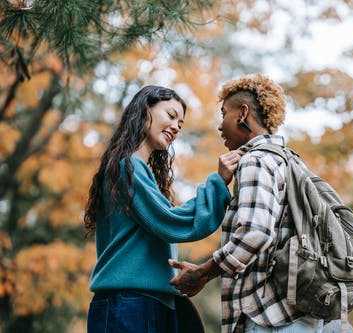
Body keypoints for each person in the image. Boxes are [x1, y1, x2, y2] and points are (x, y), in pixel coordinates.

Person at [170, 74, 347, 333]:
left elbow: (255, 233)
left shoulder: (256, 161)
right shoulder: (289, 161)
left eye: (224, 114)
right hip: (300, 316)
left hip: (270, 320)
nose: (220, 126)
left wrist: (203, 274)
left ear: (242, 113)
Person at [84, 85, 242, 333]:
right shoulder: (128, 167)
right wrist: (218, 183)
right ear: (144, 109)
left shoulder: (138, 171)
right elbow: (172, 222)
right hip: (128, 304)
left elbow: (169, 218)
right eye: (170, 115)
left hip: (149, 303)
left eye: (180, 123)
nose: (176, 126)